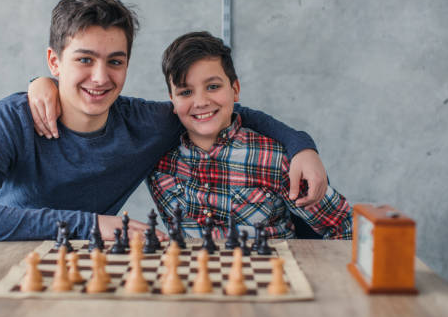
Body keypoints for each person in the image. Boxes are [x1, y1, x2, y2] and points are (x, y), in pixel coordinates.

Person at [0, 0, 327, 244]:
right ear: (54, 61)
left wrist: (301, 145)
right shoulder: (14, 118)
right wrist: (89, 224)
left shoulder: (148, 124)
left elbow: (221, 110)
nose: (100, 77)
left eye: (115, 61)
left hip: (81, 270)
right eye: (84, 60)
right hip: (1, 266)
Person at [146, 31, 352, 239]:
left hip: (272, 269)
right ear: (172, 100)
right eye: (186, 92)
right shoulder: (155, 159)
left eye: (213, 87)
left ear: (235, 90)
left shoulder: (276, 159)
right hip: (193, 271)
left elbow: (344, 227)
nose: (200, 102)